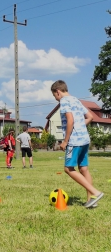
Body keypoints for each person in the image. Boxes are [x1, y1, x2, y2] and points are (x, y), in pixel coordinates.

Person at [51, 80, 104, 208]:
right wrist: (80, 126)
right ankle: (91, 200)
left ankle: (95, 192)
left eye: (54, 96)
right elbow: (90, 117)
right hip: (84, 139)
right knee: (83, 169)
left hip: (74, 141)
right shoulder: (76, 100)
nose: (56, 99)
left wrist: (65, 141)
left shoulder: (64, 101)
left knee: (68, 169)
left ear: (58, 91)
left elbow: (70, 120)